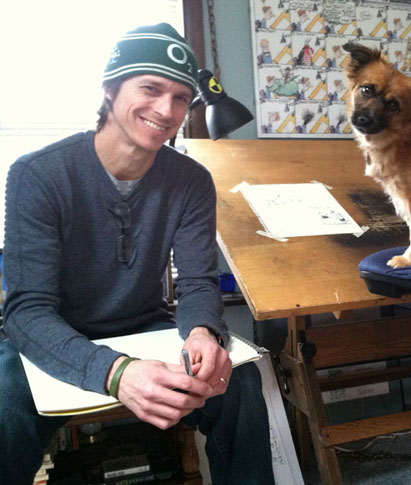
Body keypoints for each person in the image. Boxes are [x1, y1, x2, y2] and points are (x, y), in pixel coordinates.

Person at [0, 23, 274, 484]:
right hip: (56, 332)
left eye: (182, 98)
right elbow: (27, 312)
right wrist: (116, 373)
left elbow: (197, 282)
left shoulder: (190, 181)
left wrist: (204, 333)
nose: (166, 110)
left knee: (240, 382)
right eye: (150, 88)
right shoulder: (37, 174)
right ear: (110, 89)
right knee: (3, 403)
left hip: (143, 326)